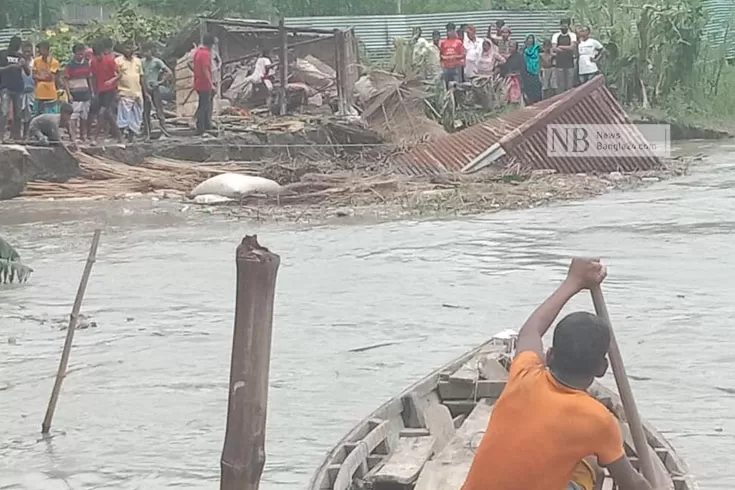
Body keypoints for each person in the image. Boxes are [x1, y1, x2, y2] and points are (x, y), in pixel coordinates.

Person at [461, 257, 657, 490]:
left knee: (585, 460)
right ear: (602, 369)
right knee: (591, 464)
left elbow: (530, 331)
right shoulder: (599, 420)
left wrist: (572, 282)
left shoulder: (524, 375)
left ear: (549, 355)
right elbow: (631, 484)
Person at [0, 36, 30, 142]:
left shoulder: (20, 56)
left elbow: (28, 72)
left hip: (18, 87)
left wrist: (24, 64)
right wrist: (10, 67)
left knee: (18, 113)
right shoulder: (3, 54)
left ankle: (16, 136)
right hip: (5, 87)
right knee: (4, 112)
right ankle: (1, 136)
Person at [90, 39, 121, 142]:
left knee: (102, 112)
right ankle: (119, 136)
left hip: (110, 89)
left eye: (100, 55)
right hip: (100, 90)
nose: (98, 57)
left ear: (103, 53)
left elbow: (120, 74)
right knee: (108, 114)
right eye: (96, 55)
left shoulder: (110, 60)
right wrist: (94, 91)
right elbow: (93, 77)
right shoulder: (93, 62)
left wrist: (111, 80)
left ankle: (95, 137)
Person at [115, 41, 145, 141]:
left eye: (130, 48)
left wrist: (145, 92)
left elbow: (141, 77)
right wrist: (116, 92)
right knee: (123, 116)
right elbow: (115, 77)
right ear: (123, 49)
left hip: (137, 92)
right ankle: (121, 137)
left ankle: (131, 137)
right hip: (124, 92)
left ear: (133, 49)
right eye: (126, 48)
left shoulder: (138, 61)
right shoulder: (118, 61)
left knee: (136, 115)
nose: (128, 50)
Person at [141, 43, 172, 139]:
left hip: (155, 88)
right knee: (146, 111)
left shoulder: (157, 62)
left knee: (159, 110)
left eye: (148, 51)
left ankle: (164, 131)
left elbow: (169, 72)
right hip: (145, 88)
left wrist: (160, 82)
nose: (146, 53)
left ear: (151, 51)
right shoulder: (141, 62)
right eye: (144, 51)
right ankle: (147, 133)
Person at [64, 43, 93, 142]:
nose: (80, 56)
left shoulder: (87, 64)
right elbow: (66, 80)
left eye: (82, 54)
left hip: (85, 93)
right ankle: (73, 136)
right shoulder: (70, 65)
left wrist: (91, 91)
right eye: (78, 54)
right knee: (74, 117)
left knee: (84, 116)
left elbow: (89, 79)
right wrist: (69, 94)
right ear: (74, 54)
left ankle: (83, 136)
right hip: (75, 94)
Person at [192, 34, 215, 136]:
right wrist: (211, 84)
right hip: (204, 84)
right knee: (204, 106)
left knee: (204, 104)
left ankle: (206, 125)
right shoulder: (205, 54)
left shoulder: (197, 52)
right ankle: (200, 128)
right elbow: (206, 70)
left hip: (198, 83)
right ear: (210, 44)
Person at [33, 41, 60, 115]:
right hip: (39, 93)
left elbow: (51, 78)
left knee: (51, 115)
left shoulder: (54, 62)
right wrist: (42, 77)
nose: (39, 51)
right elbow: (34, 76)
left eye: (41, 49)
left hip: (50, 93)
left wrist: (40, 77)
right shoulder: (36, 60)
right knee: (38, 114)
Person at [552, 18, 578, 93]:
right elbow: (554, 48)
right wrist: (565, 48)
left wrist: (560, 47)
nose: (564, 27)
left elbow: (572, 47)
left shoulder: (572, 35)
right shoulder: (556, 35)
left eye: (565, 25)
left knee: (570, 84)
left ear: (568, 26)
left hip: (570, 62)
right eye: (562, 25)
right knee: (560, 84)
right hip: (559, 62)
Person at [439, 23, 465, 88]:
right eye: (448, 31)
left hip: (455, 67)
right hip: (446, 67)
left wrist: (453, 57)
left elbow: (462, 55)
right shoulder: (443, 42)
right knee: (446, 85)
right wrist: (444, 58)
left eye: (451, 31)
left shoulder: (458, 42)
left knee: (457, 86)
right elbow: (440, 54)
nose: (450, 32)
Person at [19, 41, 35, 139]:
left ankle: (26, 134)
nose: (27, 54)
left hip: (32, 91)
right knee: (19, 114)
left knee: (29, 115)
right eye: (25, 52)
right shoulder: (19, 62)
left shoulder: (35, 62)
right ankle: (17, 134)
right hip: (20, 91)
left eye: (29, 51)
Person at [522, 34, 543, 104]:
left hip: (536, 71)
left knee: (536, 87)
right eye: (528, 38)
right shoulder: (523, 50)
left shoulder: (538, 48)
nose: (530, 40)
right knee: (529, 87)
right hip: (527, 71)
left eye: (531, 38)